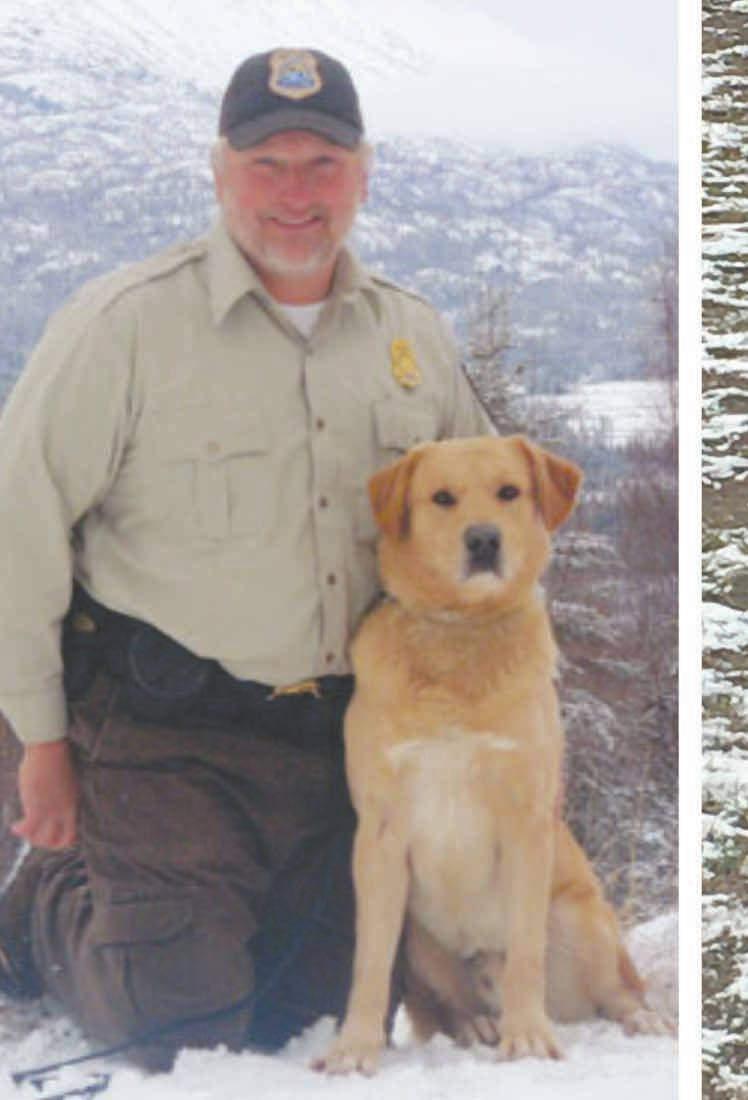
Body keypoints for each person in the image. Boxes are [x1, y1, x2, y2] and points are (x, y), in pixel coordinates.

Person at [0, 47, 492, 1069]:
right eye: (268, 165)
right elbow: (20, 528)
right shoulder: (124, 327)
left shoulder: (412, 336)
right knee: (178, 1028)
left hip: (344, 742)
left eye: (322, 165)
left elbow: (494, 527)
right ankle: (45, 902)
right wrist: (40, 740)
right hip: (163, 738)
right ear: (220, 172)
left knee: (306, 1019)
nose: (296, 194)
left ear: (364, 174)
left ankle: (190, 918)